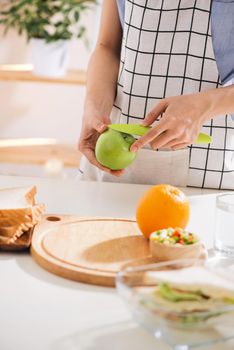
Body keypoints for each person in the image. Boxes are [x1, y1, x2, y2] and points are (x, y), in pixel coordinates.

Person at [78, 0, 234, 190]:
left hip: (210, 165)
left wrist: (203, 106)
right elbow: (107, 46)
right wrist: (94, 106)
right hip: (115, 147)